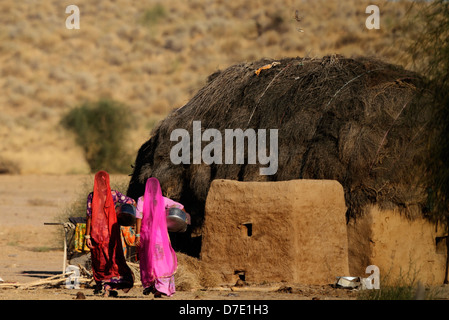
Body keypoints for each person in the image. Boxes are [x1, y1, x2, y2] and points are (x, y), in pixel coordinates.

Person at [84, 170, 136, 297]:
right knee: (113, 258)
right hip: (111, 233)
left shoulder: (92, 196)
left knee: (99, 259)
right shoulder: (114, 194)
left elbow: (89, 217)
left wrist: (87, 235)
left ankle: (103, 285)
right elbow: (132, 202)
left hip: (96, 233)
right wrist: (121, 213)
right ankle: (110, 284)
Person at [135, 177, 179, 297]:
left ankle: (151, 285)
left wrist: (137, 235)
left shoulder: (141, 200)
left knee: (148, 259)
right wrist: (183, 219)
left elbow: (138, 218)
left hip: (146, 235)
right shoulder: (163, 200)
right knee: (160, 259)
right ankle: (160, 286)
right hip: (160, 235)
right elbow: (179, 207)